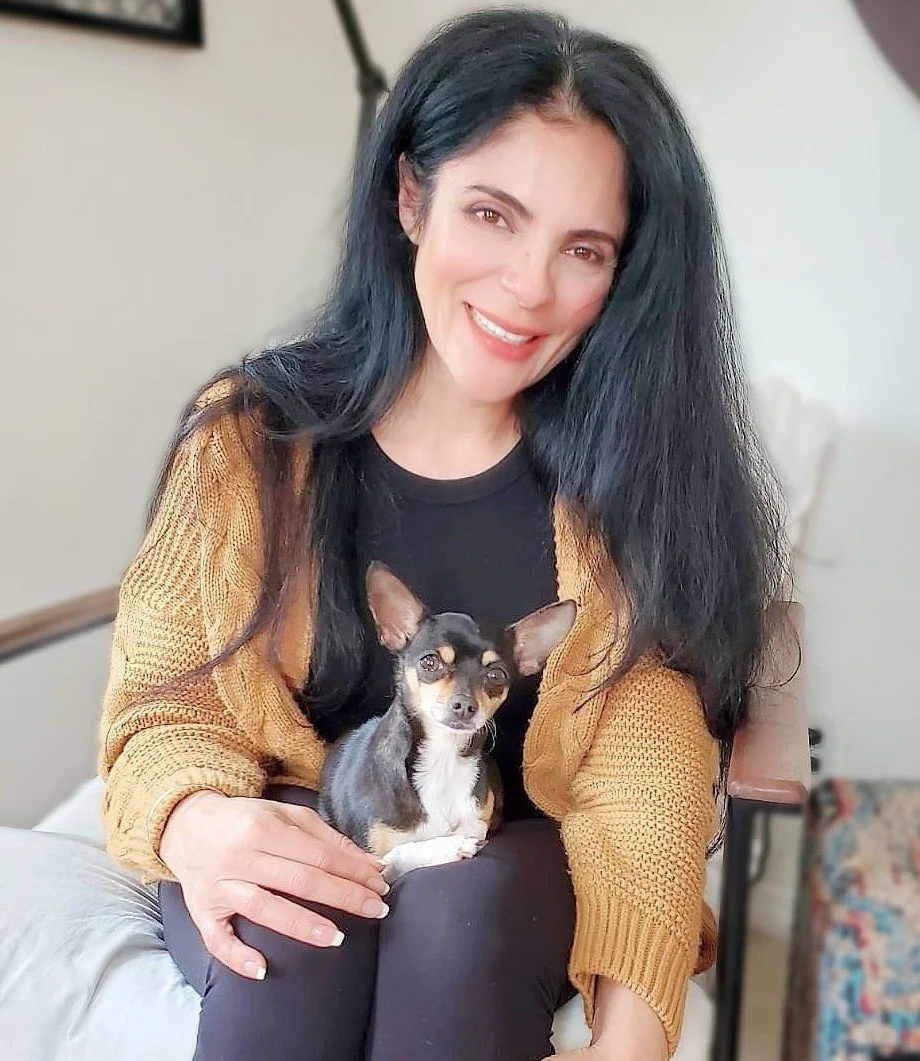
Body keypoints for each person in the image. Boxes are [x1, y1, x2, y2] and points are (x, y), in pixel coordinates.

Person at [98, 8, 785, 1061]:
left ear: (623, 274)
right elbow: (164, 700)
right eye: (493, 214)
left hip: (509, 846)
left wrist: (634, 1033)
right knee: (300, 925)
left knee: (458, 915)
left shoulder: (626, 483)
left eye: (583, 249)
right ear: (411, 197)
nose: (529, 287)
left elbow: (644, 765)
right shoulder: (251, 439)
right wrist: (194, 820)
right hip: (300, 806)